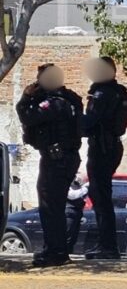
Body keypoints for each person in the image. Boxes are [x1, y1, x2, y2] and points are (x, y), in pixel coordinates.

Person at [16, 64, 84, 267]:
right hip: (68, 157)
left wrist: (27, 97)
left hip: (56, 159)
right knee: (56, 206)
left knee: (50, 207)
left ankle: (55, 252)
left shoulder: (53, 104)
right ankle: (58, 250)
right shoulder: (70, 99)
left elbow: (27, 115)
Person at [82, 56, 127, 259]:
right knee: (102, 195)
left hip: (102, 147)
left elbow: (90, 123)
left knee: (100, 196)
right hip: (113, 146)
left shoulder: (102, 94)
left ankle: (108, 246)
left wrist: (73, 121)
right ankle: (107, 245)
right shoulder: (119, 92)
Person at [65, 174, 88, 253]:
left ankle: (68, 253)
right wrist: (86, 188)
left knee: (73, 238)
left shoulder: (76, 184)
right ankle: (64, 254)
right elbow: (72, 195)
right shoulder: (64, 183)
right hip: (69, 212)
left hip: (76, 212)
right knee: (67, 237)